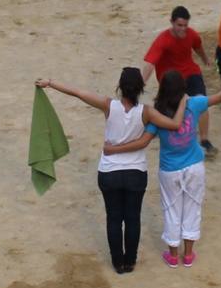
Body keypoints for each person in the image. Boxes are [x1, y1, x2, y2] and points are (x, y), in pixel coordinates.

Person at [103, 73, 221, 267]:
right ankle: (189, 255)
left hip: (170, 170)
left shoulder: (157, 114)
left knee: (171, 210)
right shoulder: (194, 104)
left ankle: (173, 255)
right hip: (194, 166)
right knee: (193, 208)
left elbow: (142, 142)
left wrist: (113, 149)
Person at [35, 70, 172, 274]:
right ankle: (130, 261)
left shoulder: (109, 105)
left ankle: (117, 263)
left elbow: (78, 92)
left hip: (109, 172)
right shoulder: (147, 112)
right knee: (133, 218)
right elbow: (173, 124)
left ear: (120, 87)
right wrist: (184, 105)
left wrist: (50, 83)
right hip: (135, 172)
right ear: (140, 89)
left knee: (114, 218)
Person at [141, 6, 211, 102]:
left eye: (185, 25)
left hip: (191, 72)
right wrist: (142, 83)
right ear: (172, 22)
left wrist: (205, 58)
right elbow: (150, 63)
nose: (183, 29)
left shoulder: (192, 34)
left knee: (201, 101)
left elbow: (197, 47)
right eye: (179, 25)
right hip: (171, 79)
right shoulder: (163, 40)